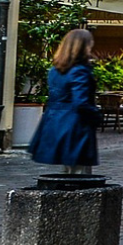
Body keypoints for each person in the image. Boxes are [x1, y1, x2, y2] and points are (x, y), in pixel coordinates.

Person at [31, 28, 100, 174]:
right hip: (75, 124)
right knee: (79, 173)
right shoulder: (79, 71)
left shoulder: (55, 70)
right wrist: (96, 115)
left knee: (68, 171)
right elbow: (80, 102)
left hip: (54, 121)